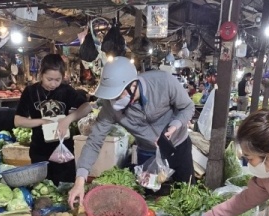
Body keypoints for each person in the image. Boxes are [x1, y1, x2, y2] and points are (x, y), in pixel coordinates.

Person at [68, 57, 195, 208]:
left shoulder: (164, 82)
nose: (114, 102)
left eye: (118, 95)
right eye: (111, 97)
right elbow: (94, 141)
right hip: (148, 154)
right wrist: (80, 180)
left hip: (178, 147)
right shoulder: (110, 108)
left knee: (187, 196)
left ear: (133, 84)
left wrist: (175, 125)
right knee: (148, 202)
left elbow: (187, 107)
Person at [14, 54, 91, 185]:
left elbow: (87, 107)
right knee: (42, 188)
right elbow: (18, 121)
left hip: (63, 150)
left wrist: (68, 119)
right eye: (49, 79)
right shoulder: (30, 91)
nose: (53, 84)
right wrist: (42, 121)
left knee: (65, 187)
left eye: (58, 80)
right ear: (41, 74)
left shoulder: (66, 90)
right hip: (40, 151)